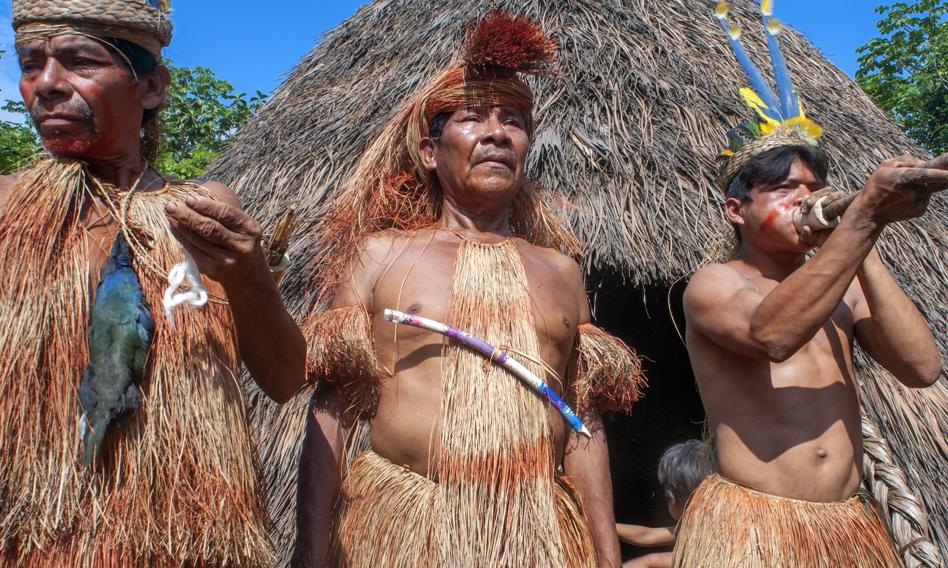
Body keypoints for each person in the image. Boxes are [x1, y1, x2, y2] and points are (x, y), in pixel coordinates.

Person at [292, 12, 645, 568]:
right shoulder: (381, 256)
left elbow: (583, 423)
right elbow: (333, 410)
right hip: (409, 525)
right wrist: (309, 555)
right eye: (472, 118)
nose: (497, 132)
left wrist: (606, 557)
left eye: (513, 120)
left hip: (537, 532)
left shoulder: (561, 271)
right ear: (431, 153)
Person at [0, 1, 305, 564]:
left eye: (78, 61)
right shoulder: (9, 210)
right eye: (29, 64)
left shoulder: (205, 213)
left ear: (152, 87)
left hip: (188, 537)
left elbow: (286, 380)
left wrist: (249, 279)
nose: (45, 84)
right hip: (39, 537)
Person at [675, 4, 945, 566]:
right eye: (783, 188)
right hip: (757, 527)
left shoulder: (840, 283)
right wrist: (863, 217)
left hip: (846, 524)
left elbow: (921, 369)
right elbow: (773, 335)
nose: (805, 198)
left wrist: (860, 236)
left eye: (815, 185)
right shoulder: (714, 285)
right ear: (736, 210)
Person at [618, 439, 713, 568]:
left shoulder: (713, 528)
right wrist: (607, 526)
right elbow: (647, 535)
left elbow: (651, 561)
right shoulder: (693, 526)